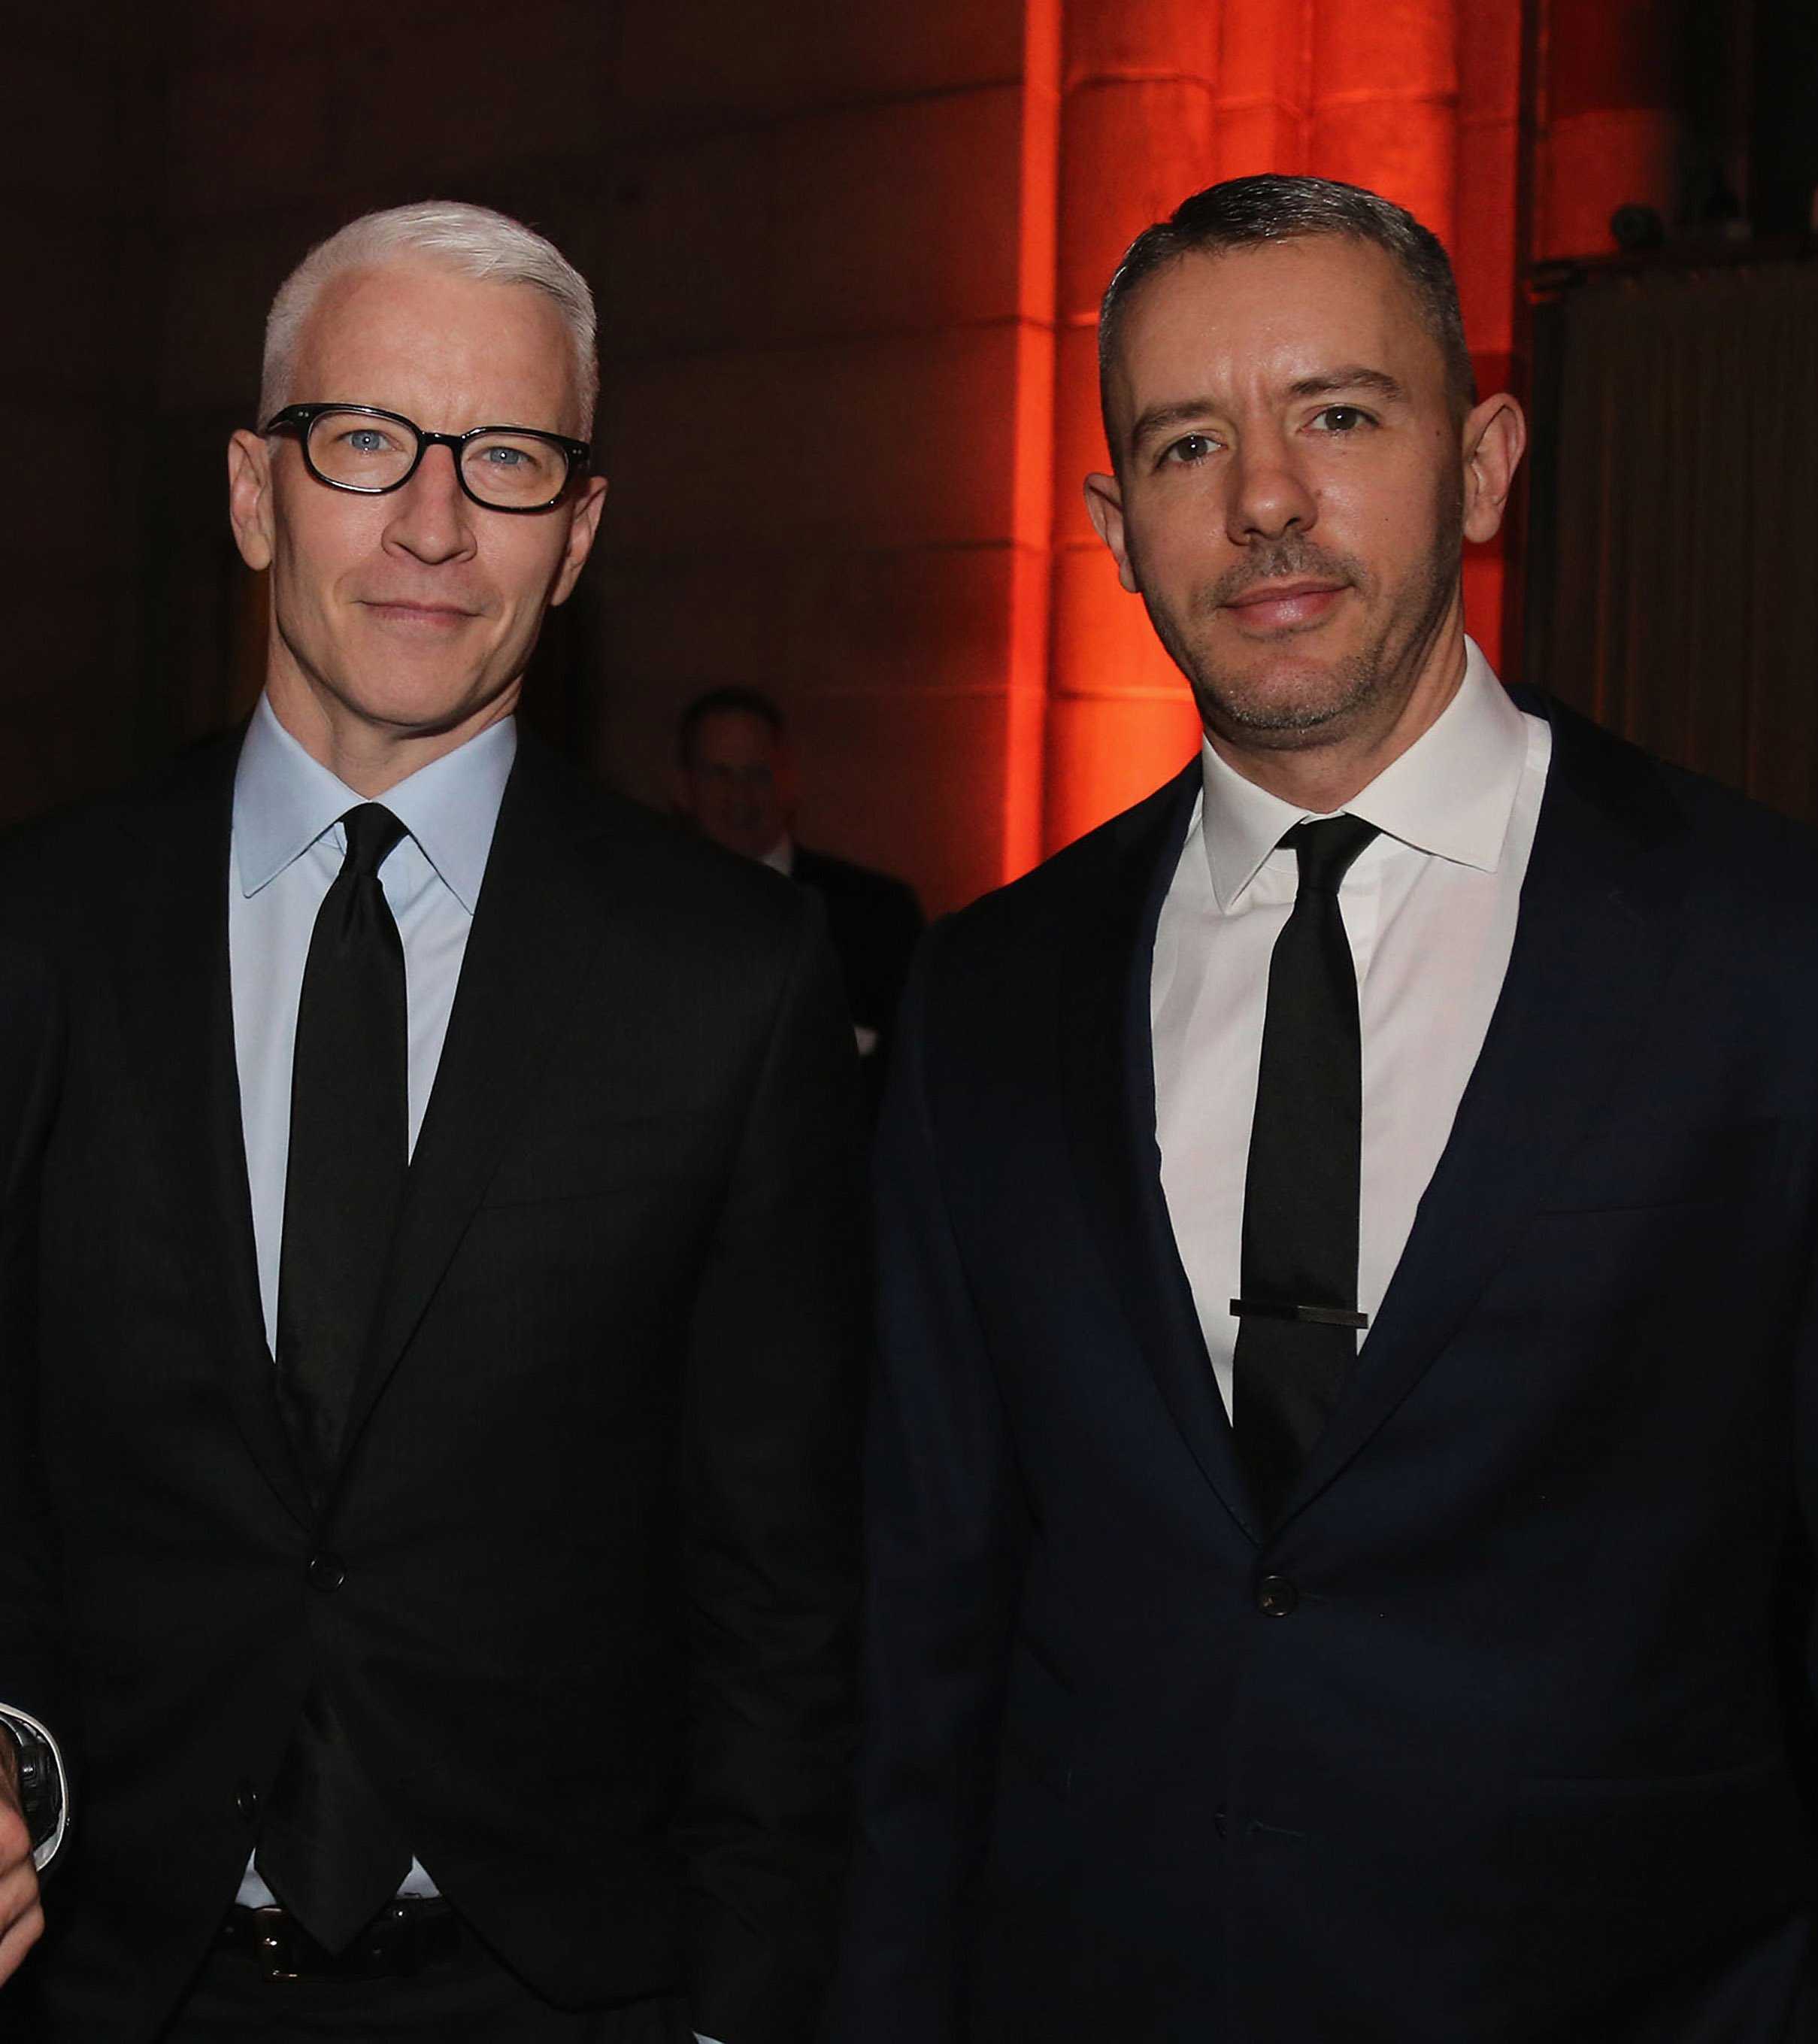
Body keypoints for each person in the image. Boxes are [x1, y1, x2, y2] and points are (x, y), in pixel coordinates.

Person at [831, 173, 1818, 2041]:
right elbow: (926, 1626)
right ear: (1117, 529)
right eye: (1188, 442)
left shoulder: (1764, 956)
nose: (1263, 497)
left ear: (1483, 460)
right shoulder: (986, 999)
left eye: (1338, 417)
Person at [0, 200, 862, 2043]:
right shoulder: (36, 930)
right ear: (254, 493)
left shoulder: (734, 974)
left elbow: (780, 1570)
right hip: (105, 1983)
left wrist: (749, 2004)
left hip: (561, 1996)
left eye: (510, 459)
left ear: (579, 537)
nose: (432, 522)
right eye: (366, 441)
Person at [675, 688, 924, 1109]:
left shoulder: (880, 916)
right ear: (683, 787)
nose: (739, 796)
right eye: (720, 774)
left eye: (758, 774)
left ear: (789, 779)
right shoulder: (648, 916)